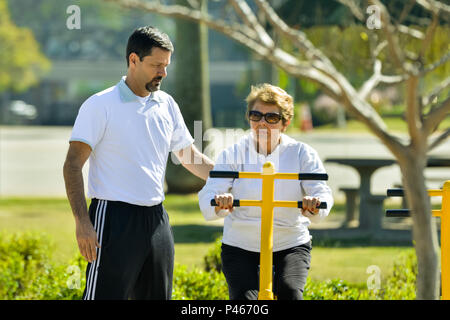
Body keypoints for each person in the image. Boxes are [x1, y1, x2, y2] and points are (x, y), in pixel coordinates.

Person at [63, 26, 214, 300]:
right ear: (134, 60)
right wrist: (82, 222)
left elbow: (188, 155)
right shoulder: (100, 105)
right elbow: (72, 165)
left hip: (156, 219)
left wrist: (230, 177)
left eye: (166, 65)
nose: (163, 73)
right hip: (113, 219)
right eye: (157, 65)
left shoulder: (167, 104)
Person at [198, 83, 333, 300]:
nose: (262, 122)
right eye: (256, 115)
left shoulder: (302, 153)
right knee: (246, 301)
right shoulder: (234, 152)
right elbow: (209, 194)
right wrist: (219, 201)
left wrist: (314, 204)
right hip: (241, 243)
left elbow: (322, 193)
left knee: (290, 292)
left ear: (285, 123)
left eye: (271, 118)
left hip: (289, 242)